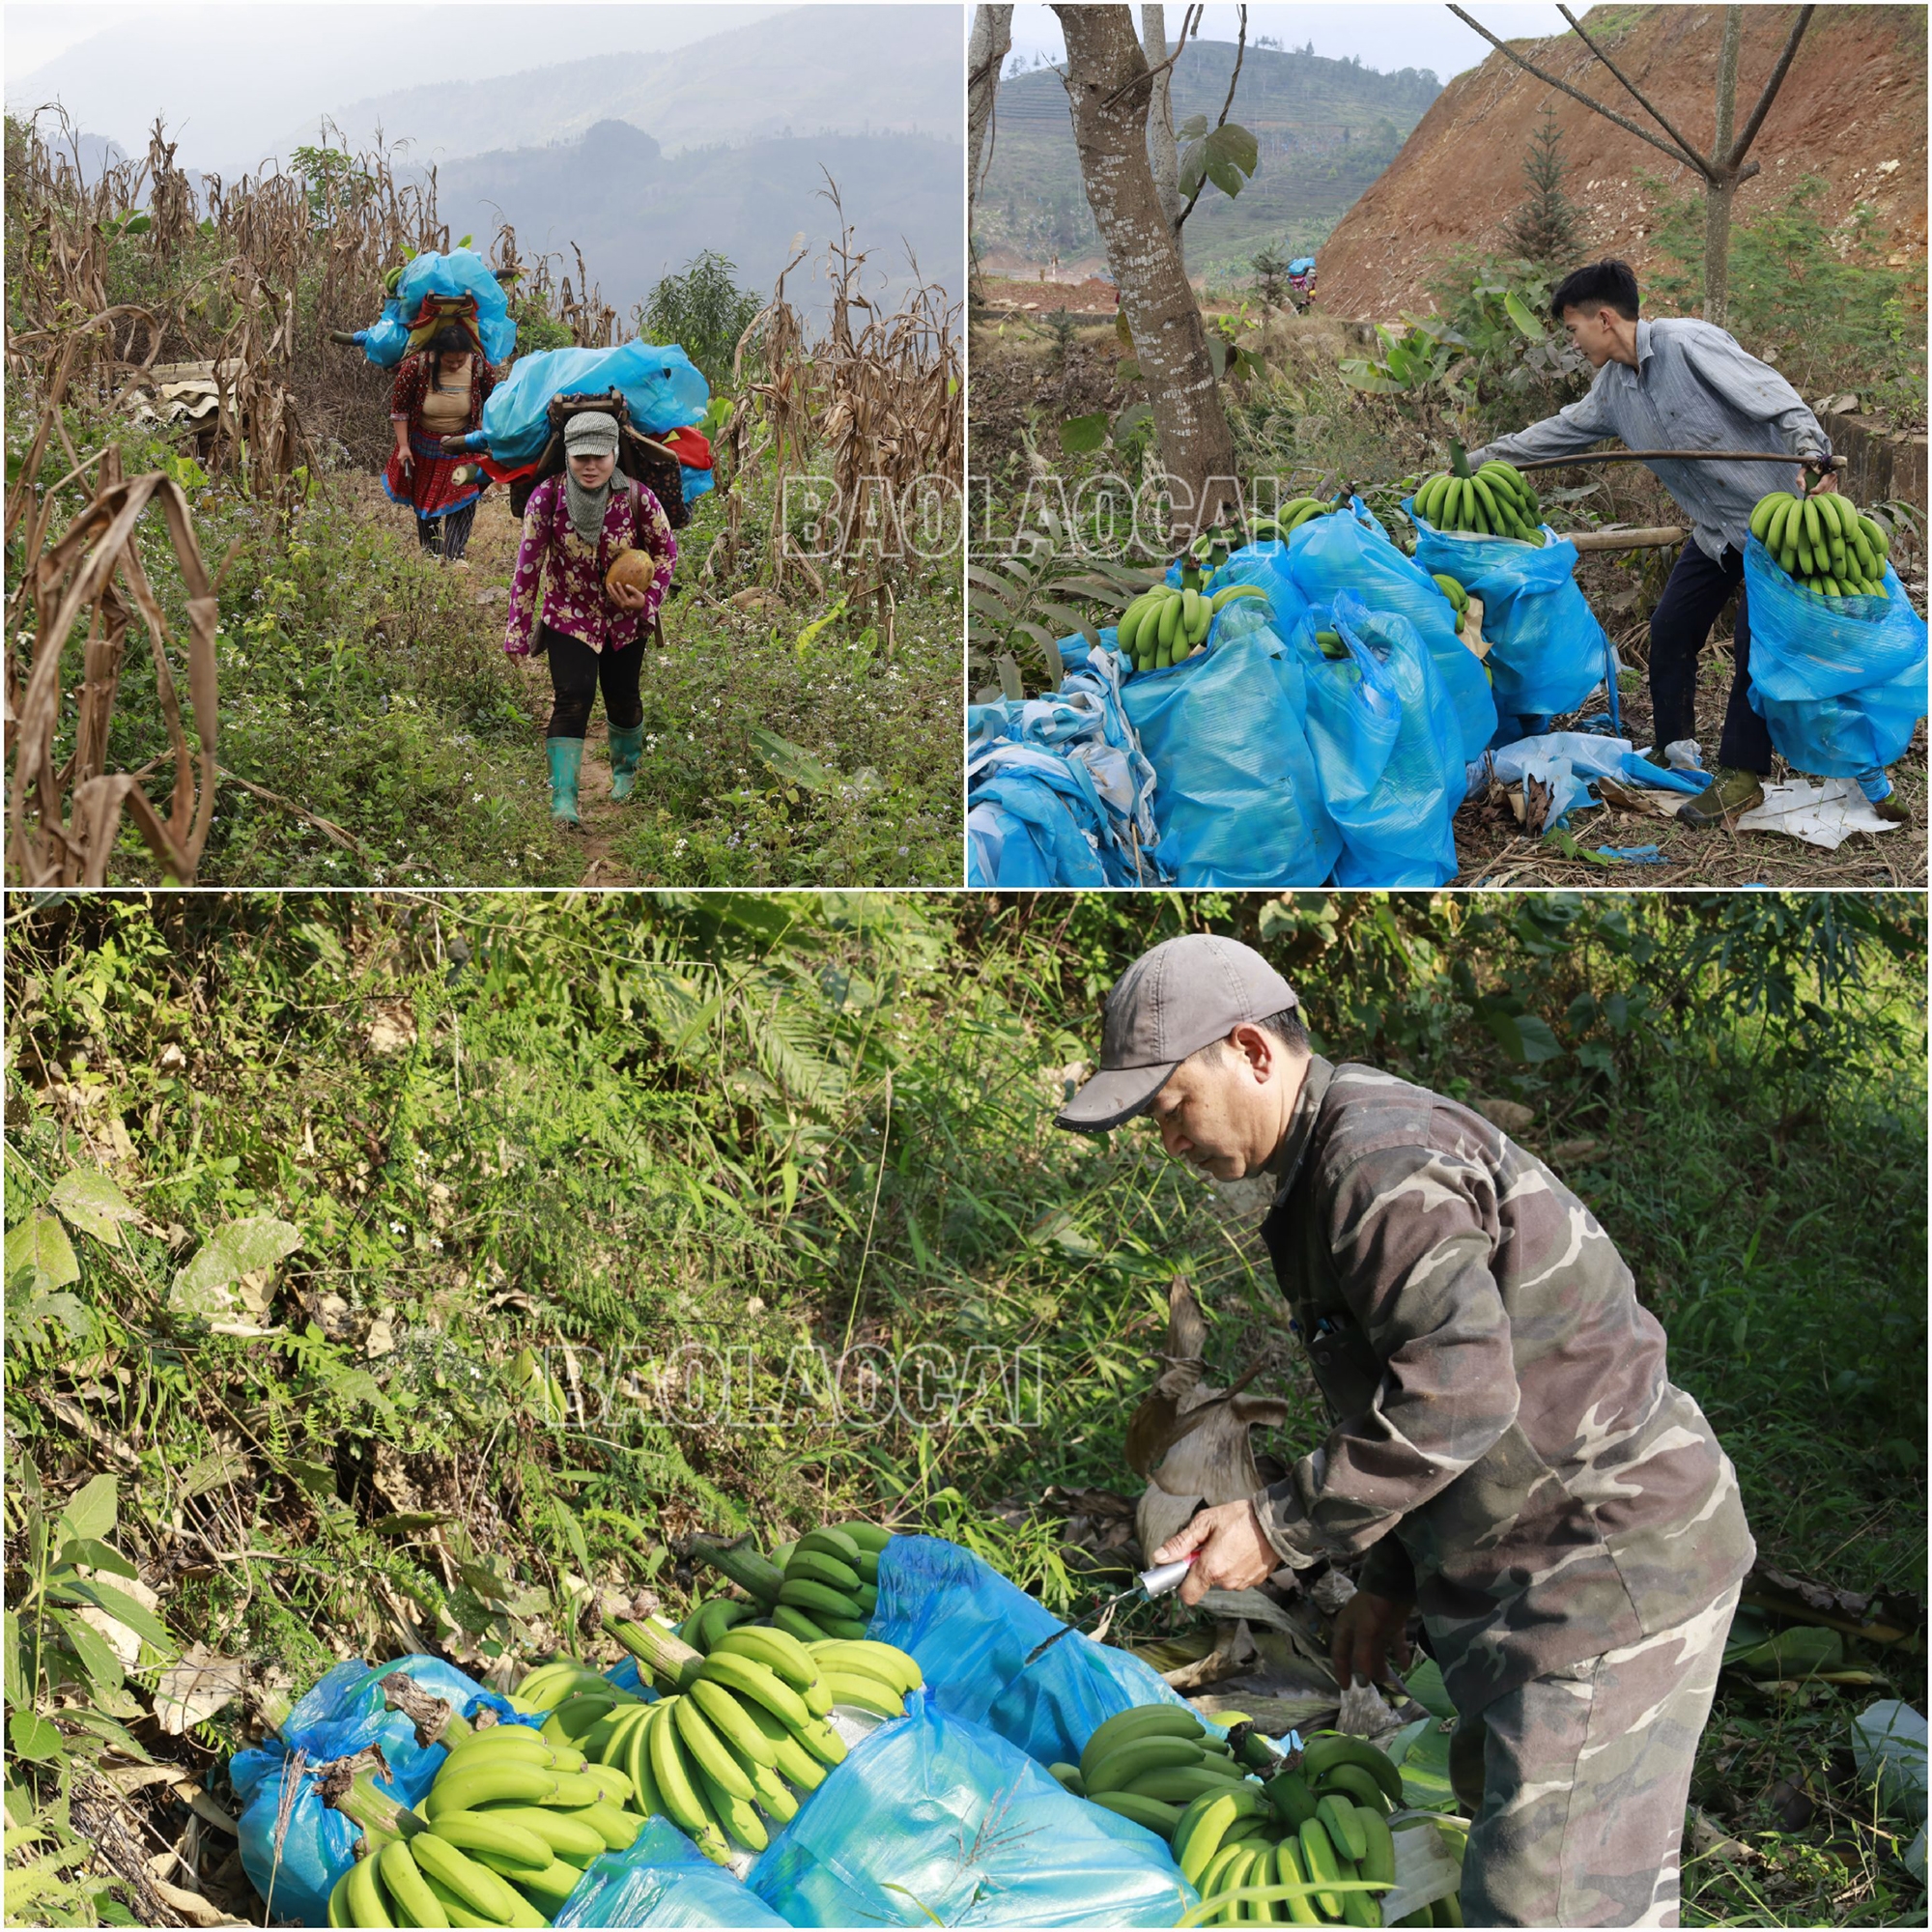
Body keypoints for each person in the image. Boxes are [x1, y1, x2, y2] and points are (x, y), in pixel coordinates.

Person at [1056, 933, 1755, 1928]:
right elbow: (1395, 1394)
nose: (1167, 1139)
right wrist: (1385, 1583)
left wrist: (1276, 1525)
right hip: (1534, 1565)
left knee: (1544, 1905)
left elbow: (1460, 1394)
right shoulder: (1324, 1163)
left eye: (1170, 1106)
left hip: (1602, 1563)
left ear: (1252, 1050)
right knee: (1525, 1834)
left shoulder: (1374, 1162)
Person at [1470, 258, 1907, 827]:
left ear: (1604, 318)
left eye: (1573, 328)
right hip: (1716, 532)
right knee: (1671, 628)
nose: (1573, 342)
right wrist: (1478, 461)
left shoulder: (1688, 343)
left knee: (1754, 650)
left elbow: (1774, 395)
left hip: (1776, 530)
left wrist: (1810, 449)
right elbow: (1556, 433)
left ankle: (1741, 775)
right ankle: (1673, 746)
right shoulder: (1611, 391)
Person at [502, 411, 676, 825]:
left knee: (623, 697)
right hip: (568, 614)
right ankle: (564, 800)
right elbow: (528, 566)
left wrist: (646, 601)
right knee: (572, 698)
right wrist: (517, 630)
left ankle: (625, 775)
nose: (591, 466)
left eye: (600, 456)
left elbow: (666, 553)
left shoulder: (638, 498)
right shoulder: (546, 498)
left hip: (625, 622)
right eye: (581, 457)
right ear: (568, 456)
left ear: (615, 454)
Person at [384, 323, 496, 561]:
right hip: (424, 443)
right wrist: (404, 446)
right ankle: (431, 554)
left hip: (464, 442)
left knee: (465, 493)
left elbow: (496, 399)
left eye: (460, 360)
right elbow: (400, 409)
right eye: (449, 361)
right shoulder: (417, 366)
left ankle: (456, 554)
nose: (455, 366)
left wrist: (488, 432)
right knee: (426, 502)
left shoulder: (478, 366)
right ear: (436, 354)